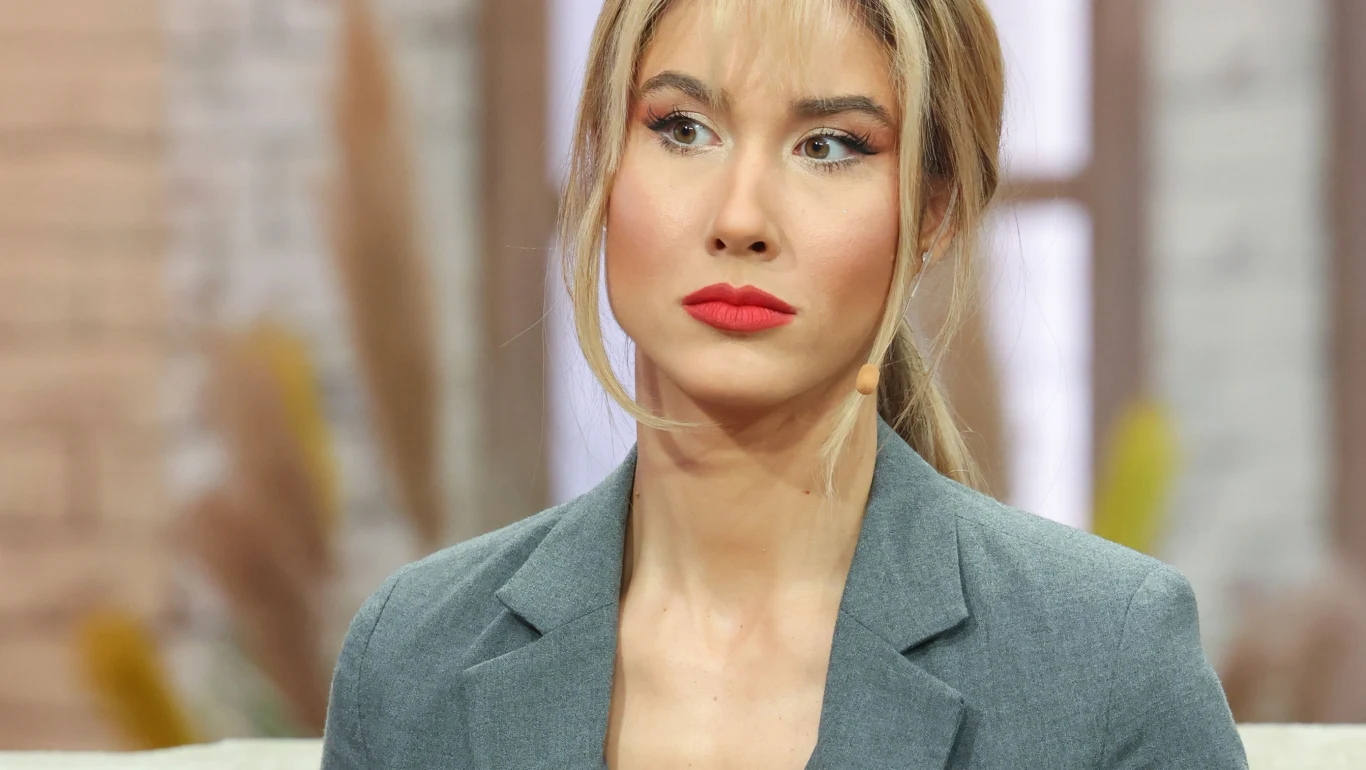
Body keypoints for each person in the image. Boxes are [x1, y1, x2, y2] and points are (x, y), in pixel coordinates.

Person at [321, 0, 1249, 767]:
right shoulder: (413, 657)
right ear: (604, 159)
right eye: (683, 129)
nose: (741, 218)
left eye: (830, 145)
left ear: (933, 212)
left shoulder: (1104, 660)